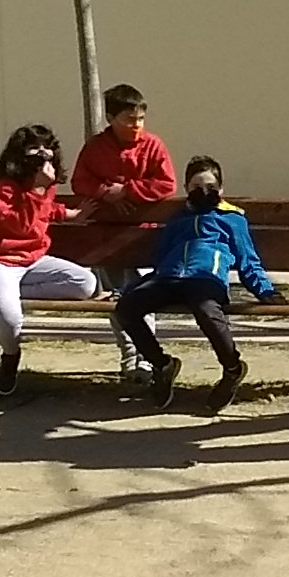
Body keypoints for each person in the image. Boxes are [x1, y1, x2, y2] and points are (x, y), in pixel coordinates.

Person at [115, 155, 282, 413]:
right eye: (196, 187)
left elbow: (248, 260)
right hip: (169, 278)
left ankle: (232, 368)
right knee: (127, 308)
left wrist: (265, 291)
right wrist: (135, 289)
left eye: (210, 187)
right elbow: (161, 258)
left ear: (221, 189)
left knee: (206, 310)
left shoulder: (232, 219)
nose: (203, 192)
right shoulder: (177, 220)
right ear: (186, 189)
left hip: (206, 279)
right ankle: (162, 365)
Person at [0, 124, 94, 398]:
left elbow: (46, 210)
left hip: (33, 260)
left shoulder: (45, 187)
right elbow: (20, 226)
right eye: (34, 149)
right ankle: (10, 355)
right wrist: (38, 189)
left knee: (85, 284)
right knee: (11, 319)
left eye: (47, 148)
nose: (42, 154)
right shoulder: (4, 188)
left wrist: (69, 214)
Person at [72, 84, 180, 385]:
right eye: (129, 120)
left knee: (143, 297)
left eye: (141, 119)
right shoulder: (95, 148)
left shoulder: (153, 145)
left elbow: (166, 184)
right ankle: (131, 356)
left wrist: (128, 191)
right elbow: (80, 182)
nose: (136, 125)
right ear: (111, 118)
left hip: (144, 238)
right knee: (120, 300)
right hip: (107, 240)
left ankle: (147, 358)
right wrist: (106, 193)